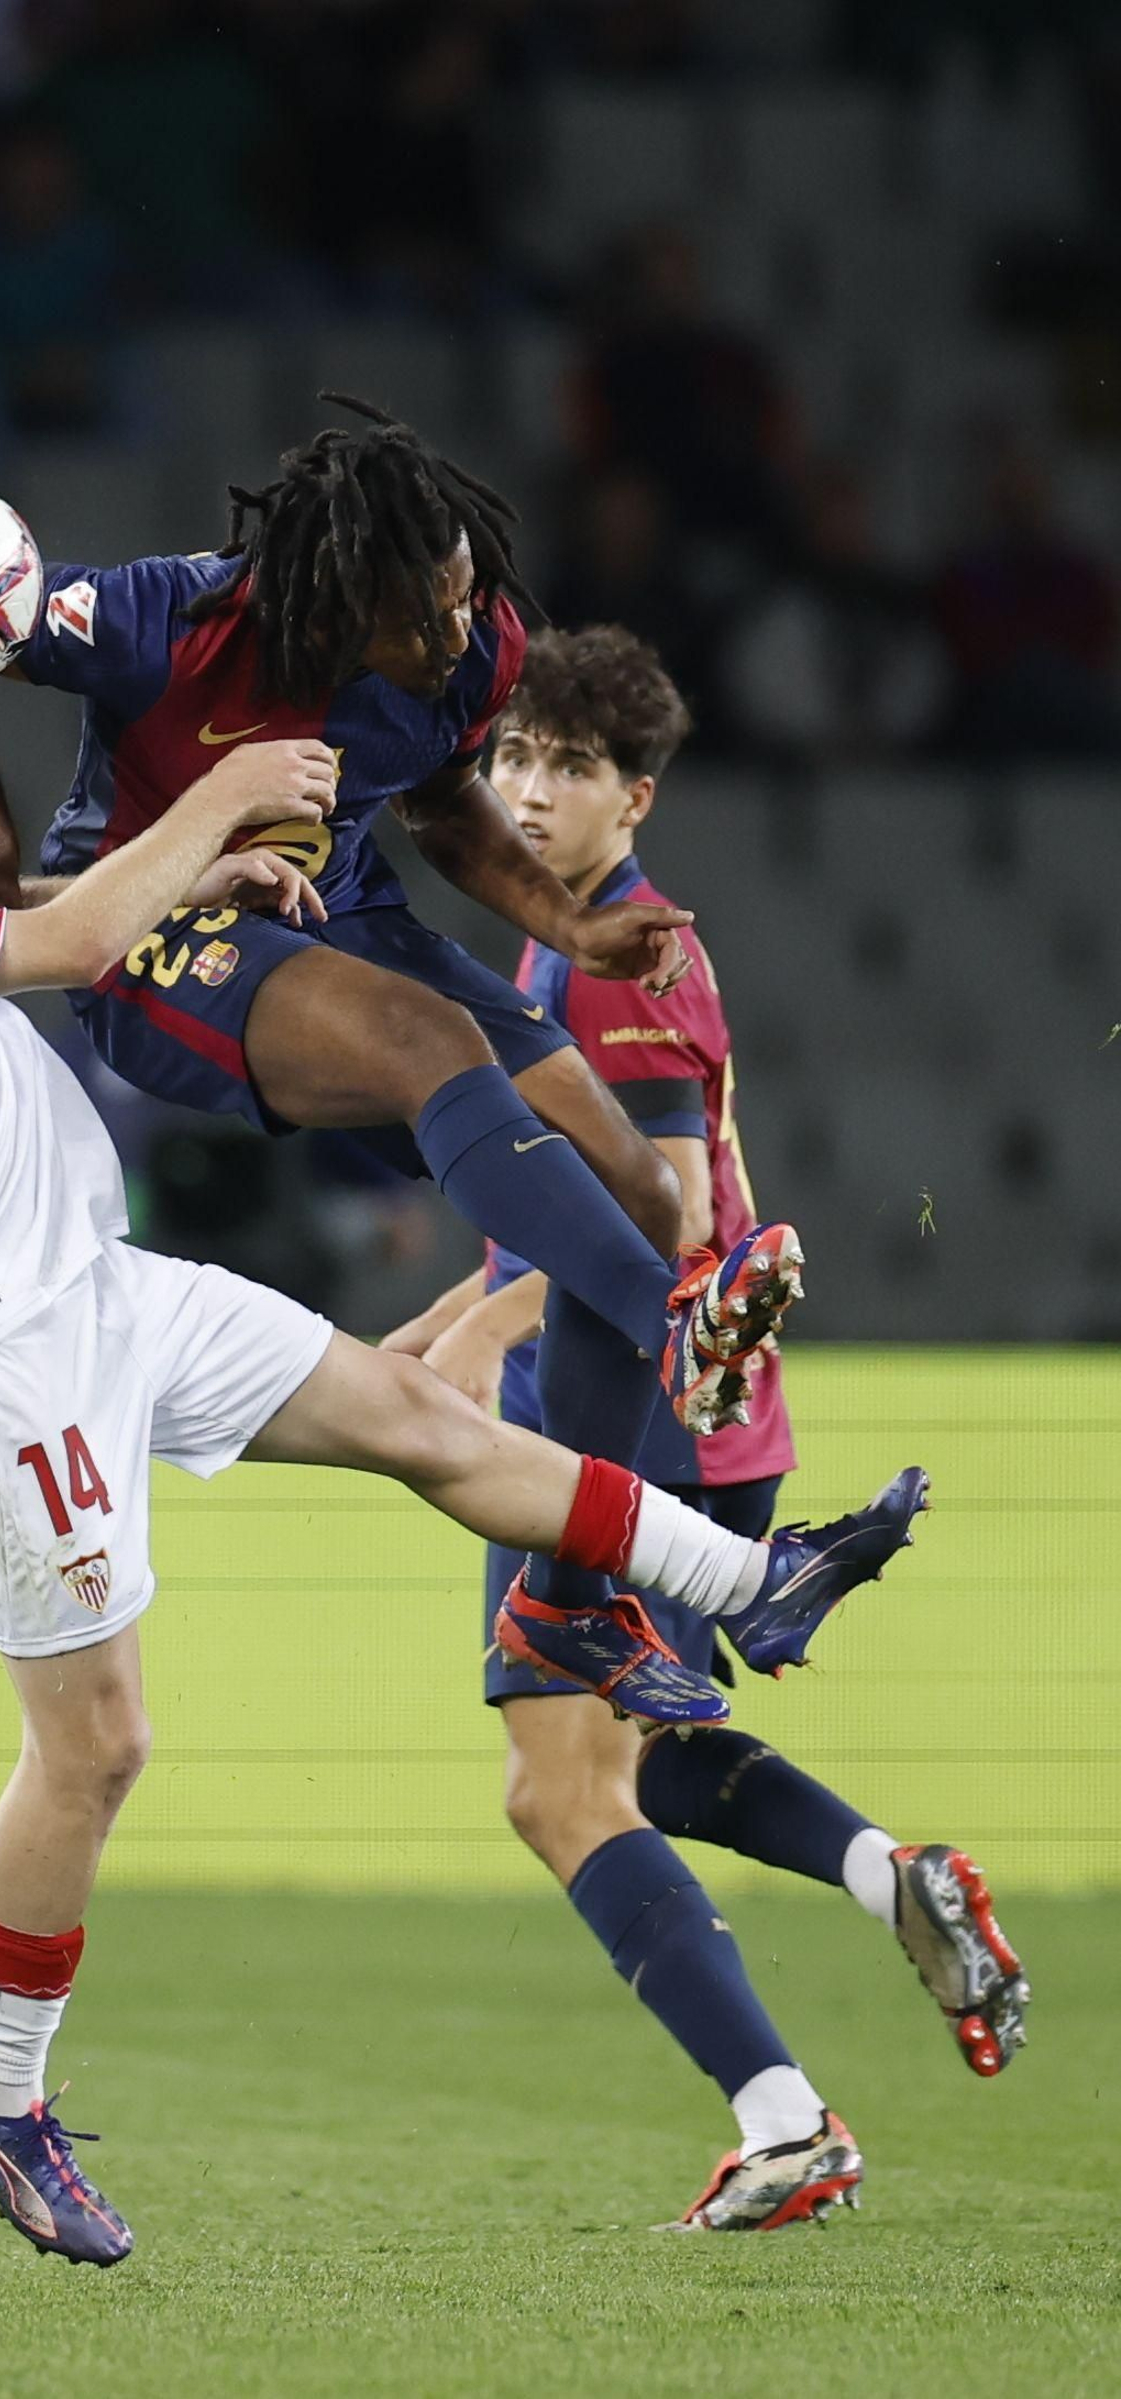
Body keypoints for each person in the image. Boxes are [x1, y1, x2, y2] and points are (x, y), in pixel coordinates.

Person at [0, 634, 928, 2262]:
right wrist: (221, 794)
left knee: (426, 1415)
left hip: (94, 1287)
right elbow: (65, 932)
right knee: (98, 1748)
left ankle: (750, 1580)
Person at [0, 397, 802, 1721]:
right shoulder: (166, 621)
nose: (456, 634)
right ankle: (672, 1319)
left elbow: (442, 796)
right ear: (328, 605)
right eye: (418, 616)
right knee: (456, 1069)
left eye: (460, 598)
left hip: (341, 918)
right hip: (158, 937)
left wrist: (571, 927)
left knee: (642, 1199)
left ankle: (567, 1608)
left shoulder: (475, 637)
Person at [386, 626, 1028, 2229]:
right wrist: (448, 1311)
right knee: (656, 1775)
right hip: (686, 1427)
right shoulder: (573, 941)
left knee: (558, 1793)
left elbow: (664, 1211)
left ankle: (787, 2119)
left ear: (637, 796)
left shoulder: (629, 954)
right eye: (514, 760)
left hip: (625, 1428)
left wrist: (485, 1320)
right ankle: (895, 1882)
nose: (529, 794)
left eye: (571, 771)